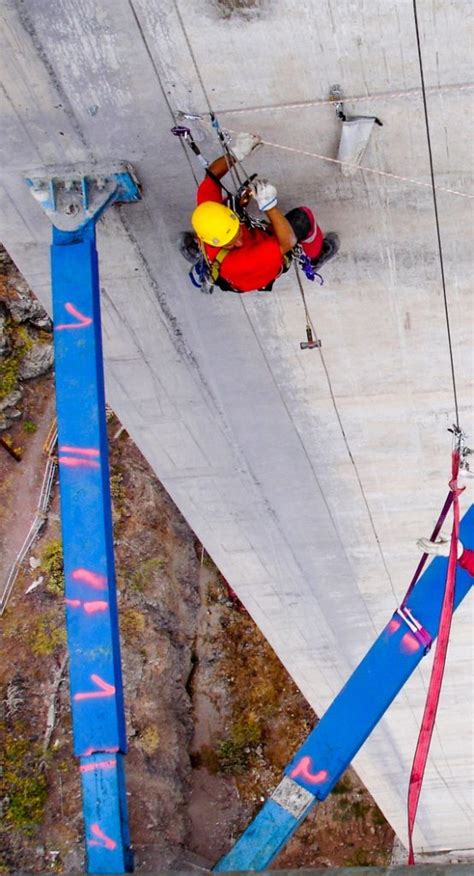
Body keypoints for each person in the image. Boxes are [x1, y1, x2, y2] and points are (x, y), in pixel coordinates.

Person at [181, 132, 339, 293]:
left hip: (223, 263)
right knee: (304, 218)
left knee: (228, 202)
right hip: (258, 268)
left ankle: (203, 258)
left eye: (237, 233)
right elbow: (287, 242)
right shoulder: (239, 262)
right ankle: (315, 258)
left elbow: (212, 176)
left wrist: (236, 154)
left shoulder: (208, 213)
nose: (239, 242)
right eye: (231, 243)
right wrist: (268, 206)